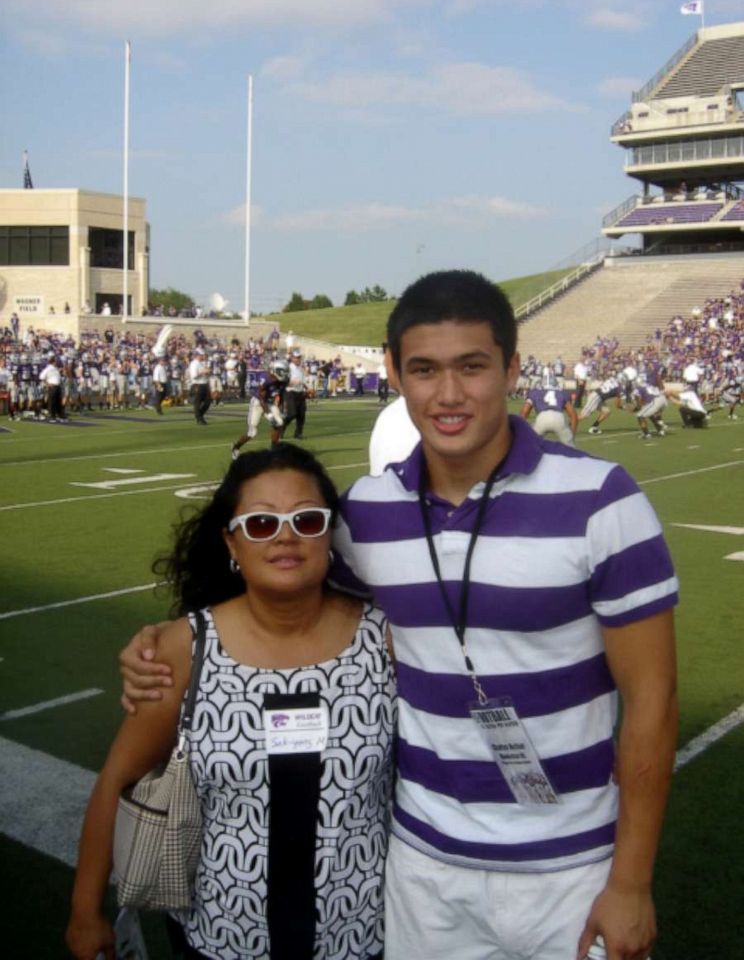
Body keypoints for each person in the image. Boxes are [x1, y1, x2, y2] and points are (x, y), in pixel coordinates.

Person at [121, 270, 678, 960]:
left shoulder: (603, 501)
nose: (448, 394)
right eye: (424, 370)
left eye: (472, 367)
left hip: (571, 868)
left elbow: (652, 702)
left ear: (511, 367)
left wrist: (631, 882)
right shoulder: (365, 516)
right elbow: (282, 596)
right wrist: (167, 645)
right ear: (394, 373)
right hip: (422, 866)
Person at [67, 444, 395, 960]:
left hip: (362, 936)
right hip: (220, 937)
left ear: (330, 534)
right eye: (261, 524)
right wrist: (86, 911)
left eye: (307, 520)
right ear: (231, 543)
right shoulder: (182, 649)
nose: (286, 536)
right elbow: (117, 779)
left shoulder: (386, 640)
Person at [232, 359, 289, 456]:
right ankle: (236, 447)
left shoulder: (284, 380)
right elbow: (262, 399)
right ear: (276, 370)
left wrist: (282, 409)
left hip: (270, 402)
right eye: (283, 371)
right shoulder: (266, 378)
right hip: (258, 403)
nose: (285, 374)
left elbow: (282, 394)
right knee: (252, 432)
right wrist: (269, 415)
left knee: (279, 423)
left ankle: (273, 451)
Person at [520, 378, 577, 445]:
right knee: (570, 448)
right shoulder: (562, 393)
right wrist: (571, 434)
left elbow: (524, 412)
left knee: (530, 444)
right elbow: (573, 416)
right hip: (559, 418)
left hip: (542, 418)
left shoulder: (535, 392)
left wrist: (521, 430)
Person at [284, 351, 307, 439]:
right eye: (296, 357)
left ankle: (298, 433)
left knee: (301, 414)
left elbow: (302, 381)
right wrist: (293, 382)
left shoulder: (300, 368)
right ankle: (282, 426)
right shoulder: (288, 368)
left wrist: (307, 389)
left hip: (300, 392)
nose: (298, 359)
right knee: (292, 414)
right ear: (292, 358)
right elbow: (283, 381)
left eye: (299, 357)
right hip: (290, 392)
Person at [39, 354, 66, 422]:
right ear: (53, 362)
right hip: (52, 387)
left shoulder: (55, 368)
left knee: (58, 402)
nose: (57, 362)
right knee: (52, 403)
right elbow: (41, 377)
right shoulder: (48, 368)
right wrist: (47, 384)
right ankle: (52, 417)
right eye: (56, 361)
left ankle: (59, 416)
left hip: (58, 386)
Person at [188, 350, 210, 425]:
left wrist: (207, 373)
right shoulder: (194, 364)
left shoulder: (201, 363)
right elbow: (194, 376)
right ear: (198, 355)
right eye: (201, 355)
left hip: (204, 384)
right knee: (197, 402)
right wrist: (203, 372)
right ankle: (199, 418)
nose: (203, 356)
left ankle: (199, 415)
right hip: (198, 384)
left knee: (208, 401)